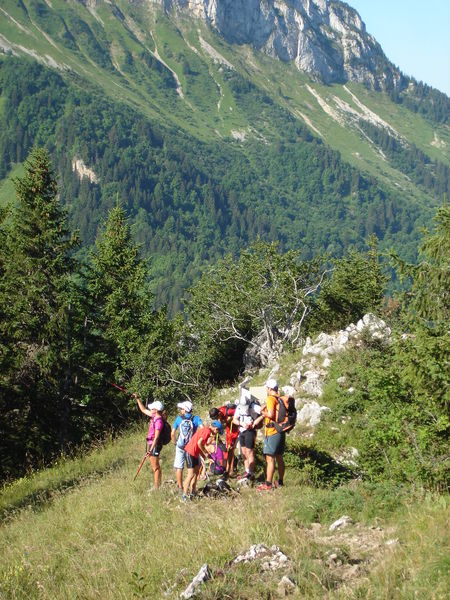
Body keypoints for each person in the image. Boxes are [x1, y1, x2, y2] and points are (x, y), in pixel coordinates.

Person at [182, 420, 224, 500]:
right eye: (218, 432)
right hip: (190, 453)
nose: (216, 434)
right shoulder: (207, 431)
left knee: (197, 473)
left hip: (195, 454)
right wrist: (205, 453)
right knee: (190, 475)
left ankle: (192, 493)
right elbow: (199, 443)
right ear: (216, 429)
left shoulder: (206, 431)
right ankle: (184, 495)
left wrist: (206, 457)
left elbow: (199, 446)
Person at [257, 378, 286, 491]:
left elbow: (270, 414)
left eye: (267, 388)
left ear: (269, 388)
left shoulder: (270, 398)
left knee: (270, 459)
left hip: (272, 432)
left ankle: (268, 485)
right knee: (279, 457)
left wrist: (262, 412)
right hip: (280, 431)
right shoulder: (280, 398)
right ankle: (280, 481)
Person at [134, 395, 165, 491]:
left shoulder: (159, 421)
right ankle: (157, 486)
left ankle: (156, 488)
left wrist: (150, 450)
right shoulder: (154, 416)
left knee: (155, 467)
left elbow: (156, 437)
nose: (150, 409)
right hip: (152, 444)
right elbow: (143, 410)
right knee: (155, 467)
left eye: (152, 408)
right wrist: (137, 399)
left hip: (154, 445)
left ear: (156, 410)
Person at [171, 400, 203, 491]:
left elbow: (172, 433)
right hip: (191, 446)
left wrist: (175, 443)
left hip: (180, 445)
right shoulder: (196, 418)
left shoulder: (179, 419)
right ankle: (192, 488)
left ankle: (180, 487)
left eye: (181, 408)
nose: (181, 410)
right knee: (193, 468)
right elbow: (202, 428)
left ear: (185, 410)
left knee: (179, 466)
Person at [232, 392, 264, 482]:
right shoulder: (238, 407)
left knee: (250, 452)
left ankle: (251, 473)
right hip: (242, 431)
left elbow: (264, 413)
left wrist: (255, 423)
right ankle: (247, 471)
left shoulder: (253, 406)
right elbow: (234, 419)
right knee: (244, 452)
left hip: (250, 431)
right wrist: (241, 423)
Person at [209, 404, 239, 476]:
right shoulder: (219, 411)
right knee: (229, 449)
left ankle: (230, 469)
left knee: (231, 450)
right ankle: (228, 469)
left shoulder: (228, 411)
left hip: (235, 430)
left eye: (217, 417)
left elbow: (238, 414)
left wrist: (229, 419)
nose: (217, 419)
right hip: (229, 430)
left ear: (219, 413)